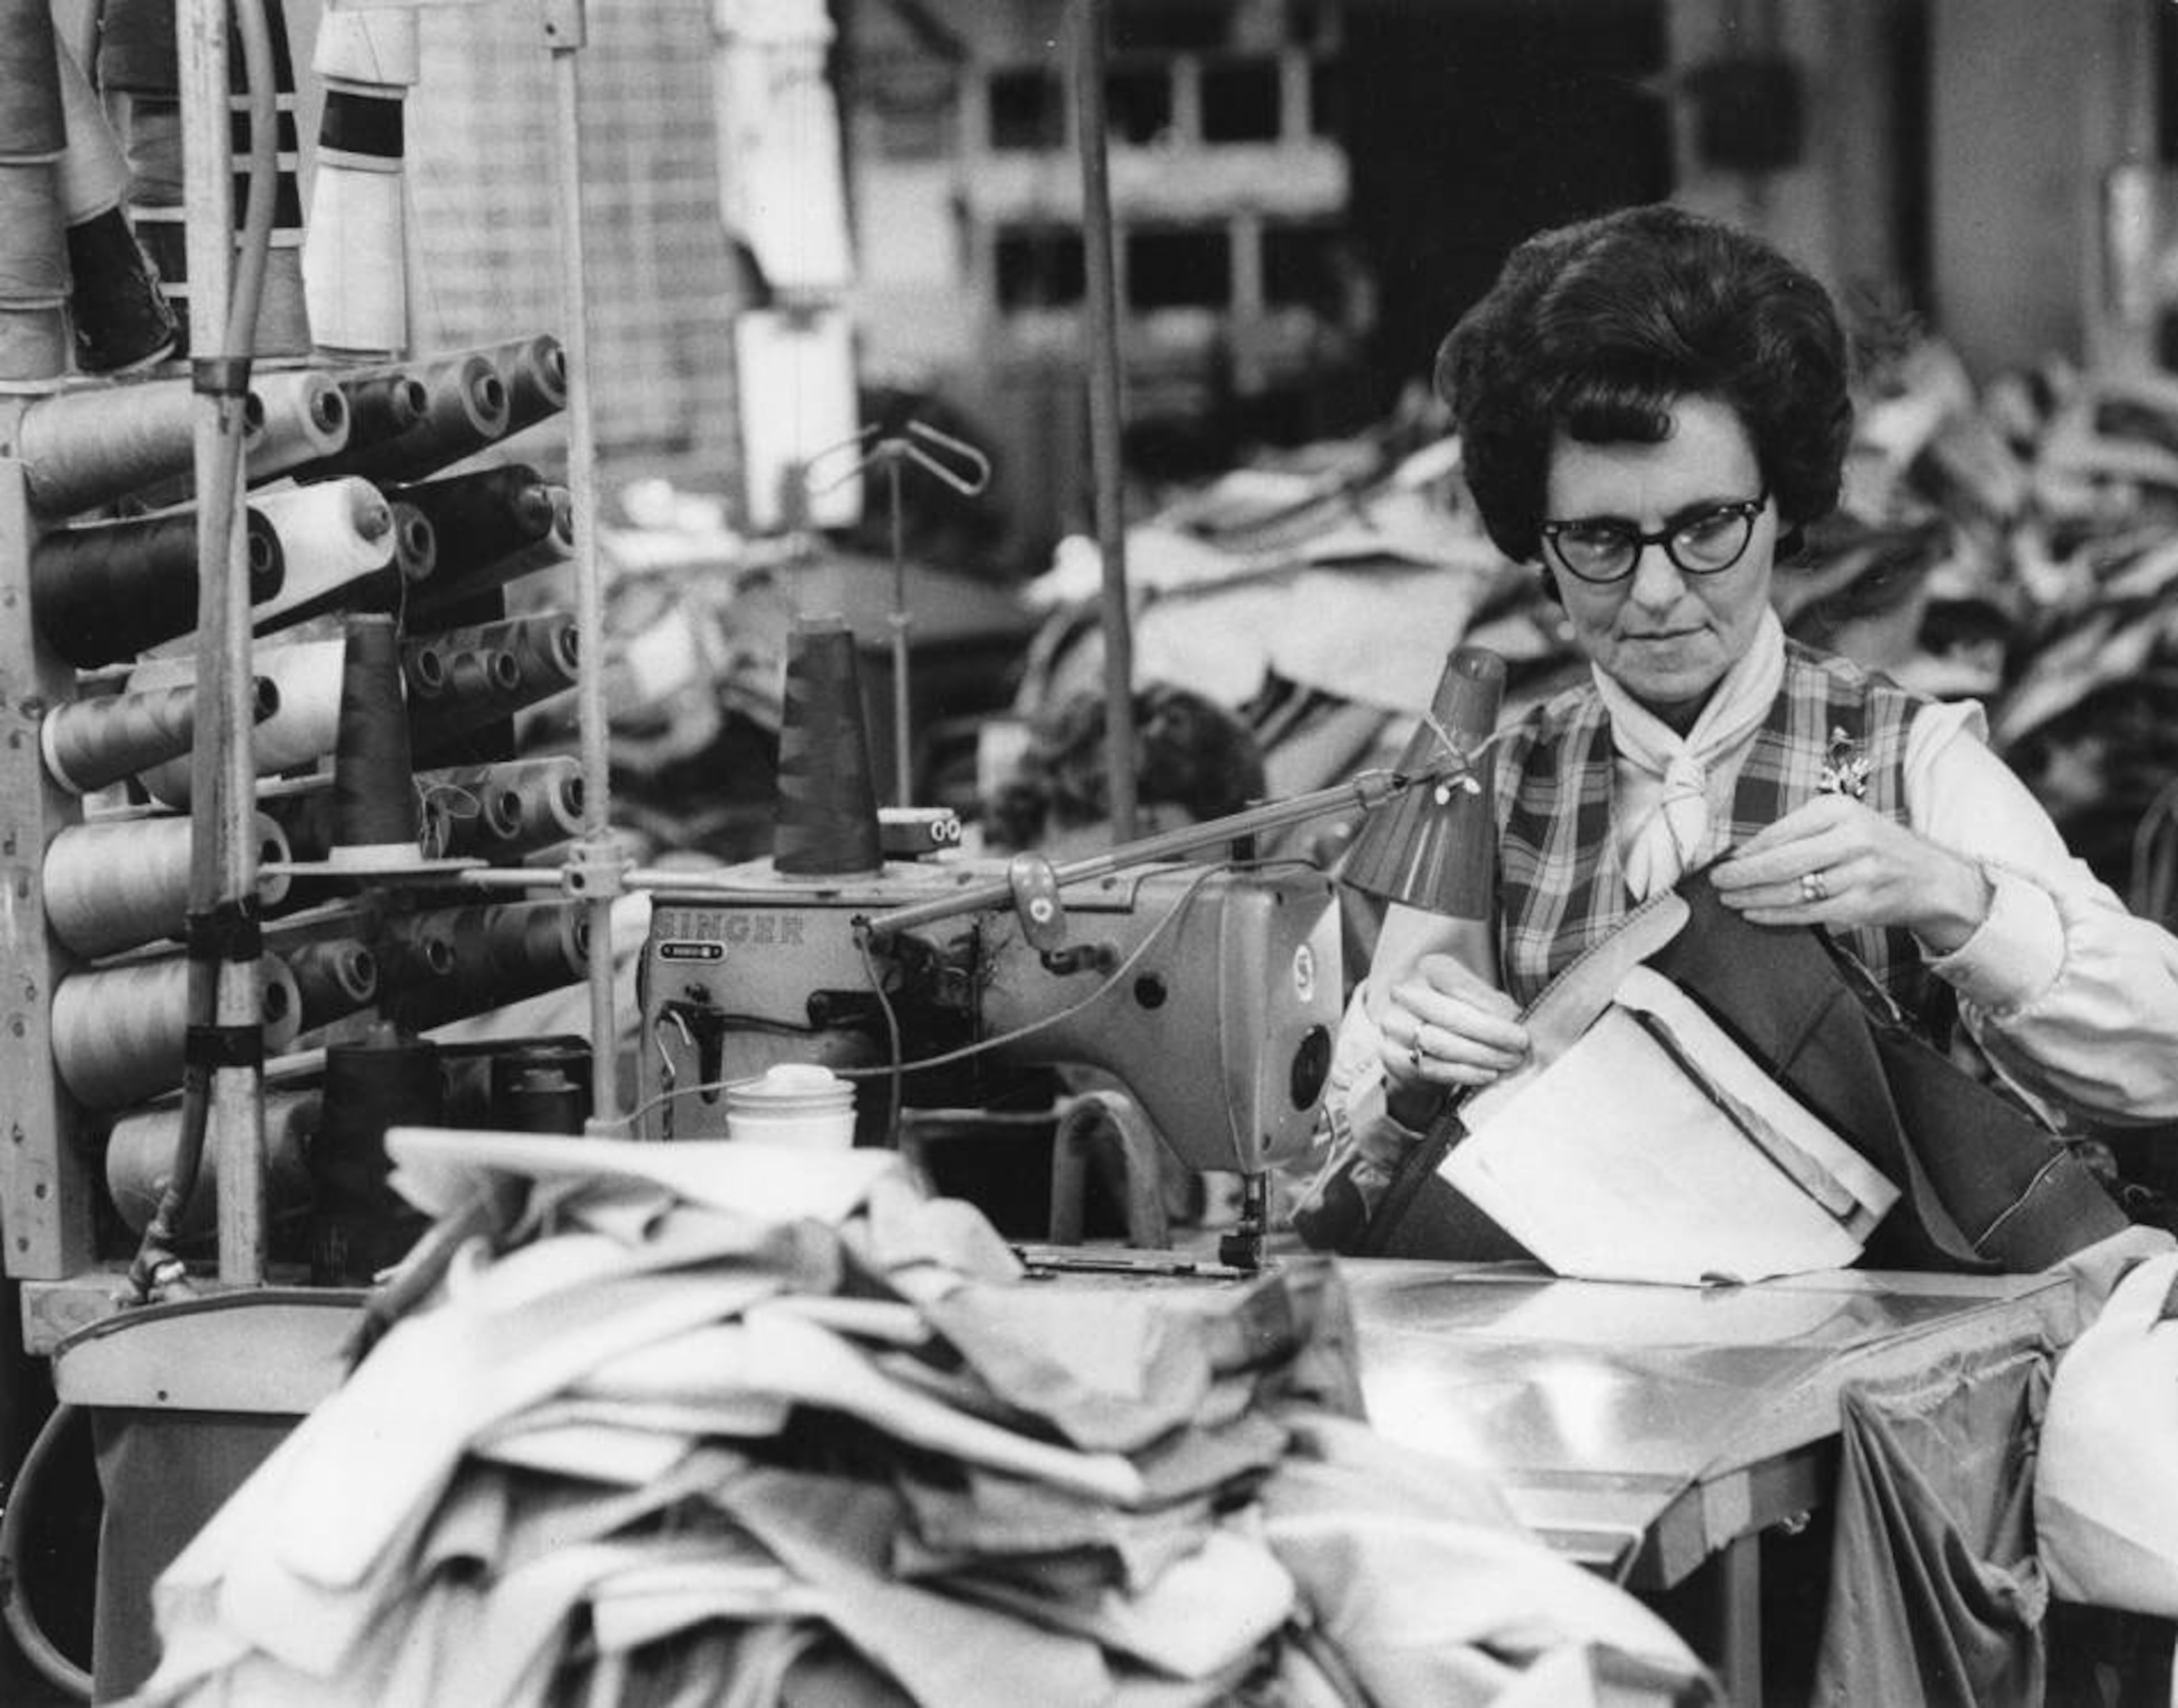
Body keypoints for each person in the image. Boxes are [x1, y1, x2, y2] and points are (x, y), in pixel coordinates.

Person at [1315, 203, 2178, 1254]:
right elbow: (1333, 1158)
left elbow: (2156, 1057)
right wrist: (1400, 1072)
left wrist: (1953, 899)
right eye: (1599, 539)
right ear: (1536, 541)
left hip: (1871, 1358)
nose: (1659, 591)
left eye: (1707, 527)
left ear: (1782, 504)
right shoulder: (1491, 794)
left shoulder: (1907, 758)